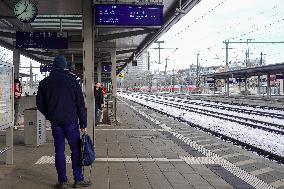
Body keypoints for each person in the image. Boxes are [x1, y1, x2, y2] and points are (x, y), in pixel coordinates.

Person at [36, 55, 91, 189]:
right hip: (71, 121)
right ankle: (78, 179)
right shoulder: (73, 81)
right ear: (65, 66)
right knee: (76, 150)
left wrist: (50, 115)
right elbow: (80, 105)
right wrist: (83, 123)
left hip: (56, 122)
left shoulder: (45, 82)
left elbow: (39, 104)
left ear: (53, 66)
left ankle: (63, 182)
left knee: (59, 151)